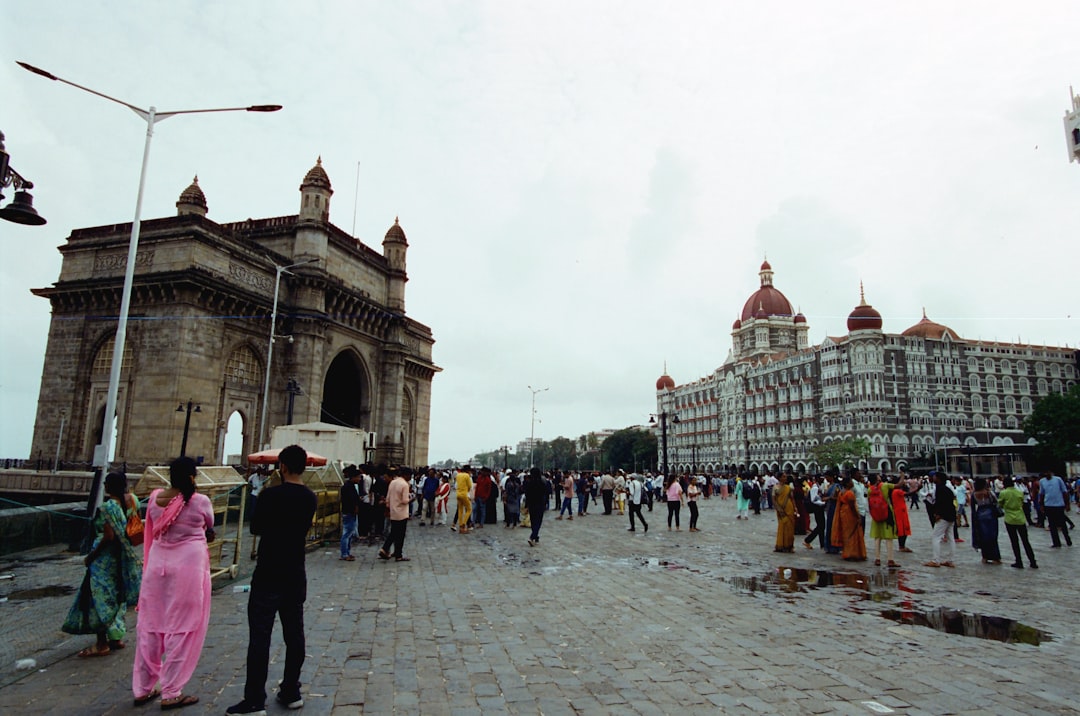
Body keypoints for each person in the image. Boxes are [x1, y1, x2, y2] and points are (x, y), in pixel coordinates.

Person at [227, 444, 318, 715]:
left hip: (268, 573)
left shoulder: (270, 495)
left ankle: (255, 700)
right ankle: (291, 691)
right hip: (295, 573)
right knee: (295, 635)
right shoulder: (310, 498)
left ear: (283, 466)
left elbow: (256, 527)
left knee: (260, 637)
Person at [132, 457, 214, 710]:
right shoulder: (200, 501)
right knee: (183, 627)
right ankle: (171, 691)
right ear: (192, 476)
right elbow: (210, 525)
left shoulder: (155, 498)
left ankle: (143, 688)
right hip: (188, 568)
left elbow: (151, 526)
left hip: (157, 566)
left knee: (151, 626)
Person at [63, 472, 142, 659]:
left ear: (109, 486)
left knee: (98, 598)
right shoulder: (132, 502)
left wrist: (91, 556)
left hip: (103, 561)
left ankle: (101, 643)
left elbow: (108, 536)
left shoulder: (107, 507)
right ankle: (116, 638)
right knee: (116, 596)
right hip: (120, 558)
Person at [998, 476, 1038, 569]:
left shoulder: (1003, 493)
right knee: (1025, 541)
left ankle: (1019, 561)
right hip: (1020, 518)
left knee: (1014, 541)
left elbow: (1000, 504)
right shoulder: (1019, 492)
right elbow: (1022, 502)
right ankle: (1032, 561)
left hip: (1009, 518)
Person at [378, 468, 412, 562]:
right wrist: (411, 499)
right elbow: (405, 500)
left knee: (394, 532)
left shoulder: (393, 482)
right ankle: (395, 553)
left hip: (393, 511)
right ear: (406, 475)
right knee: (400, 534)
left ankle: (393, 551)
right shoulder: (405, 485)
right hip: (402, 513)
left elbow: (388, 498)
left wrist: (388, 508)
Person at [830, 475, 866, 562]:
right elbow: (852, 507)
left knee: (846, 534)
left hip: (843, 513)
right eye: (851, 482)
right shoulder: (850, 493)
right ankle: (852, 553)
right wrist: (857, 516)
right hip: (850, 515)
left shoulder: (842, 492)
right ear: (847, 484)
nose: (852, 483)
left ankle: (847, 552)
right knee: (853, 534)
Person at [925, 472, 957, 568]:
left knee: (936, 537)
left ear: (938, 479)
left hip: (943, 516)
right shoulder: (947, 489)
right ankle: (951, 560)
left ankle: (936, 560)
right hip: (951, 515)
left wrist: (938, 514)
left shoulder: (939, 489)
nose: (933, 478)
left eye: (934, 477)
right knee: (951, 538)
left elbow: (940, 503)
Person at [970, 477, 1002, 564]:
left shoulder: (974, 494)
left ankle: (985, 557)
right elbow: (996, 501)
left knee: (983, 536)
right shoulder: (989, 493)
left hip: (980, 514)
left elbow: (973, 507)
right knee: (993, 536)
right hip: (991, 514)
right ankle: (995, 557)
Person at [867, 474, 898, 567]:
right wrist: (902, 474)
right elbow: (899, 485)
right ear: (877, 479)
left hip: (876, 515)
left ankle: (877, 559)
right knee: (889, 538)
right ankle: (890, 559)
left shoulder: (869, 489)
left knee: (877, 537)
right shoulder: (885, 486)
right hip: (886, 514)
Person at [1039, 471, 1073, 548]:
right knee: (1052, 525)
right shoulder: (1042, 481)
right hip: (1048, 505)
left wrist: (1067, 504)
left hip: (1059, 505)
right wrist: (1041, 505)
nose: (1047, 474)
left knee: (1062, 524)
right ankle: (1056, 543)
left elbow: (1064, 492)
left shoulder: (1058, 479)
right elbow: (1041, 494)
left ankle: (1068, 540)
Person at [339, 466, 363, 561]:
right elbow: (351, 500)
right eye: (358, 477)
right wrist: (356, 506)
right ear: (353, 477)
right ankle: (344, 554)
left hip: (349, 512)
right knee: (347, 533)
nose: (359, 479)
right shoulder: (348, 487)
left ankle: (347, 552)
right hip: (349, 512)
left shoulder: (350, 486)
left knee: (349, 534)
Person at [773, 473, 796, 552]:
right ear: (779, 478)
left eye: (786, 477)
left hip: (789, 508)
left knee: (790, 527)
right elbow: (773, 500)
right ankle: (781, 545)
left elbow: (792, 498)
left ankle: (789, 545)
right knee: (782, 526)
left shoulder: (788, 488)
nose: (785, 478)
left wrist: (795, 507)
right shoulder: (775, 487)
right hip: (780, 509)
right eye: (783, 477)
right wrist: (778, 509)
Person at [524, 467, 547, 546]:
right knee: (538, 521)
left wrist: (526, 505)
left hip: (531, 504)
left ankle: (536, 537)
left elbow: (527, 495)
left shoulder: (529, 483)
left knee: (533, 521)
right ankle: (532, 536)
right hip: (540, 504)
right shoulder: (542, 483)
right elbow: (545, 494)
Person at [802, 477, 827, 550]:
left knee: (822, 526)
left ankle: (822, 543)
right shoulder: (815, 488)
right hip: (817, 508)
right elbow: (813, 500)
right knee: (820, 526)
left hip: (820, 507)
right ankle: (808, 540)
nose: (823, 479)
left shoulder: (819, 486)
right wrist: (823, 503)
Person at [890, 474, 913, 554]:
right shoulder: (897, 491)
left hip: (899, 511)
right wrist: (917, 489)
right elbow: (908, 494)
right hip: (900, 512)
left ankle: (902, 546)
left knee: (902, 529)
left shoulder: (894, 491)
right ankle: (902, 546)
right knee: (903, 529)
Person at [247, 469, 265, 559]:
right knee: (253, 509)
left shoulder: (264, 477)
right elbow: (248, 480)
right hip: (254, 493)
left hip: (260, 493)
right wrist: (252, 487)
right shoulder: (253, 476)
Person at [454, 465, 474, 534]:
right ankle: (463, 524)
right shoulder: (467, 476)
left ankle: (460, 526)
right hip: (464, 494)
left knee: (460, 510)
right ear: (468, 470)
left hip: (458, 494)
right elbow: (470, 486)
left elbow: (456, 485)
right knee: (469, 509)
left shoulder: (458, 475)